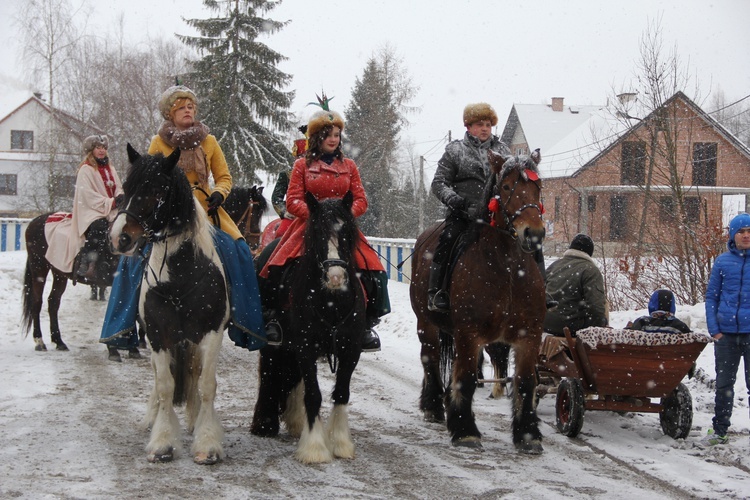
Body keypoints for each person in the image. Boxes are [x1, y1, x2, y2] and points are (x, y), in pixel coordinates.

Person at [99, 84, 265, 361]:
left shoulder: (210, 142)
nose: (188, 110)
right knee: (132, 260)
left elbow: (224, 177)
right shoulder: (158, 143)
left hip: (206, 210)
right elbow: (149, 178)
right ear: (170, 114)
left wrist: (218, 194)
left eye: (191, 106)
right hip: (166, 214)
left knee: (239, 252)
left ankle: (244, 321)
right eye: (181, 107)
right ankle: (122, 326)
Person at [259, 108, 389, 351]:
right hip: (309, 227)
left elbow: (361, 199)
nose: (333, 139)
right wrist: (318, 216)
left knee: (375, 271)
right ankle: (274, 317)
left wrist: (342, 216)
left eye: (337, 135)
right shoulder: (300, 165)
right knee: (275, 267)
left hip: (342, 228)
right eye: (328, 134)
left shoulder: (349, 166)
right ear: (317, 136)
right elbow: (293, 200)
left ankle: (367, 322)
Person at [428, 103, 512, 312]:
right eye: (479, 124)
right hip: (463, 214)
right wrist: (455, 200)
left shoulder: (503, 151)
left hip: (495, 217)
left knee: (529, 240)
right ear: (468, 126)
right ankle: (437, 291)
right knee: (448, 239)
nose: (484, 129)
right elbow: (438, 183)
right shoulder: (455, 150)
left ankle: (540, 289)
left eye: (488, 124)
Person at [45, 134, 123, 285]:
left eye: (104, 148)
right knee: (99, 226)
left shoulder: (110, 168)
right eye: (98, 148)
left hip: (110, 208)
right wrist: (110, 202)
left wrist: (120, 196)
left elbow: (117, 186)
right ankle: (86, 261)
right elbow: (87, 195)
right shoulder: (85, 169)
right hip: (92, 210)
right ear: (91, 150)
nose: (101, 151)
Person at [702, 212, 750, 446]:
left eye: (749, 231)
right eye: (741, 231)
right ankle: (720, 429)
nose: (746, 235)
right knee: (724, 385)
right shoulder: (722, 262)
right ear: (733, 235)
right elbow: (712, 296)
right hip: (727, 335)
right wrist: (715, 329)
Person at [543, 233, 608, 336]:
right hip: (569, 326)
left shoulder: (554, 265)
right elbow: (595, 307)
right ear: (589, 253)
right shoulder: (590, 270)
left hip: (544, 323)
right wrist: (601, 327)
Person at [625, 289, 691, 334]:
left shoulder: (642, 322)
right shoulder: (679, 326)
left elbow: (628, 336)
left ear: (652, 304)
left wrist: (629, 328)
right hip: (672, 353)